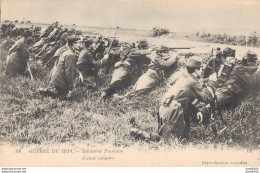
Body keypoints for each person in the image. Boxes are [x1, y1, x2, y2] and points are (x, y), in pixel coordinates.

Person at [131, 56, 214, 141]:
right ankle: (145, 135)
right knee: (168, 141)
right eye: (201, 69)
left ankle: (144, 135)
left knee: (182, 137)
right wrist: (210, 82)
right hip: (173, 111)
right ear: (196, 70)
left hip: (165, 109)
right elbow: (208, 98)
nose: (203, 72)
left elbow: (183, 100)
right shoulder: (193, 82)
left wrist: (197, 111)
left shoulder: (184, 79)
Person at [113, 46, 179, 99]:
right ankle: (123, 98)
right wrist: (174, 58)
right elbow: (165, 64)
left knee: (138, 89)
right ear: (162, 52)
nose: (168, 54)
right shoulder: (156, 57)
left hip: (151, 75)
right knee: (141, 89)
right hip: (151, 75)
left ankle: (123, 98)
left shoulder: (157, 56)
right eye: (167, 52)